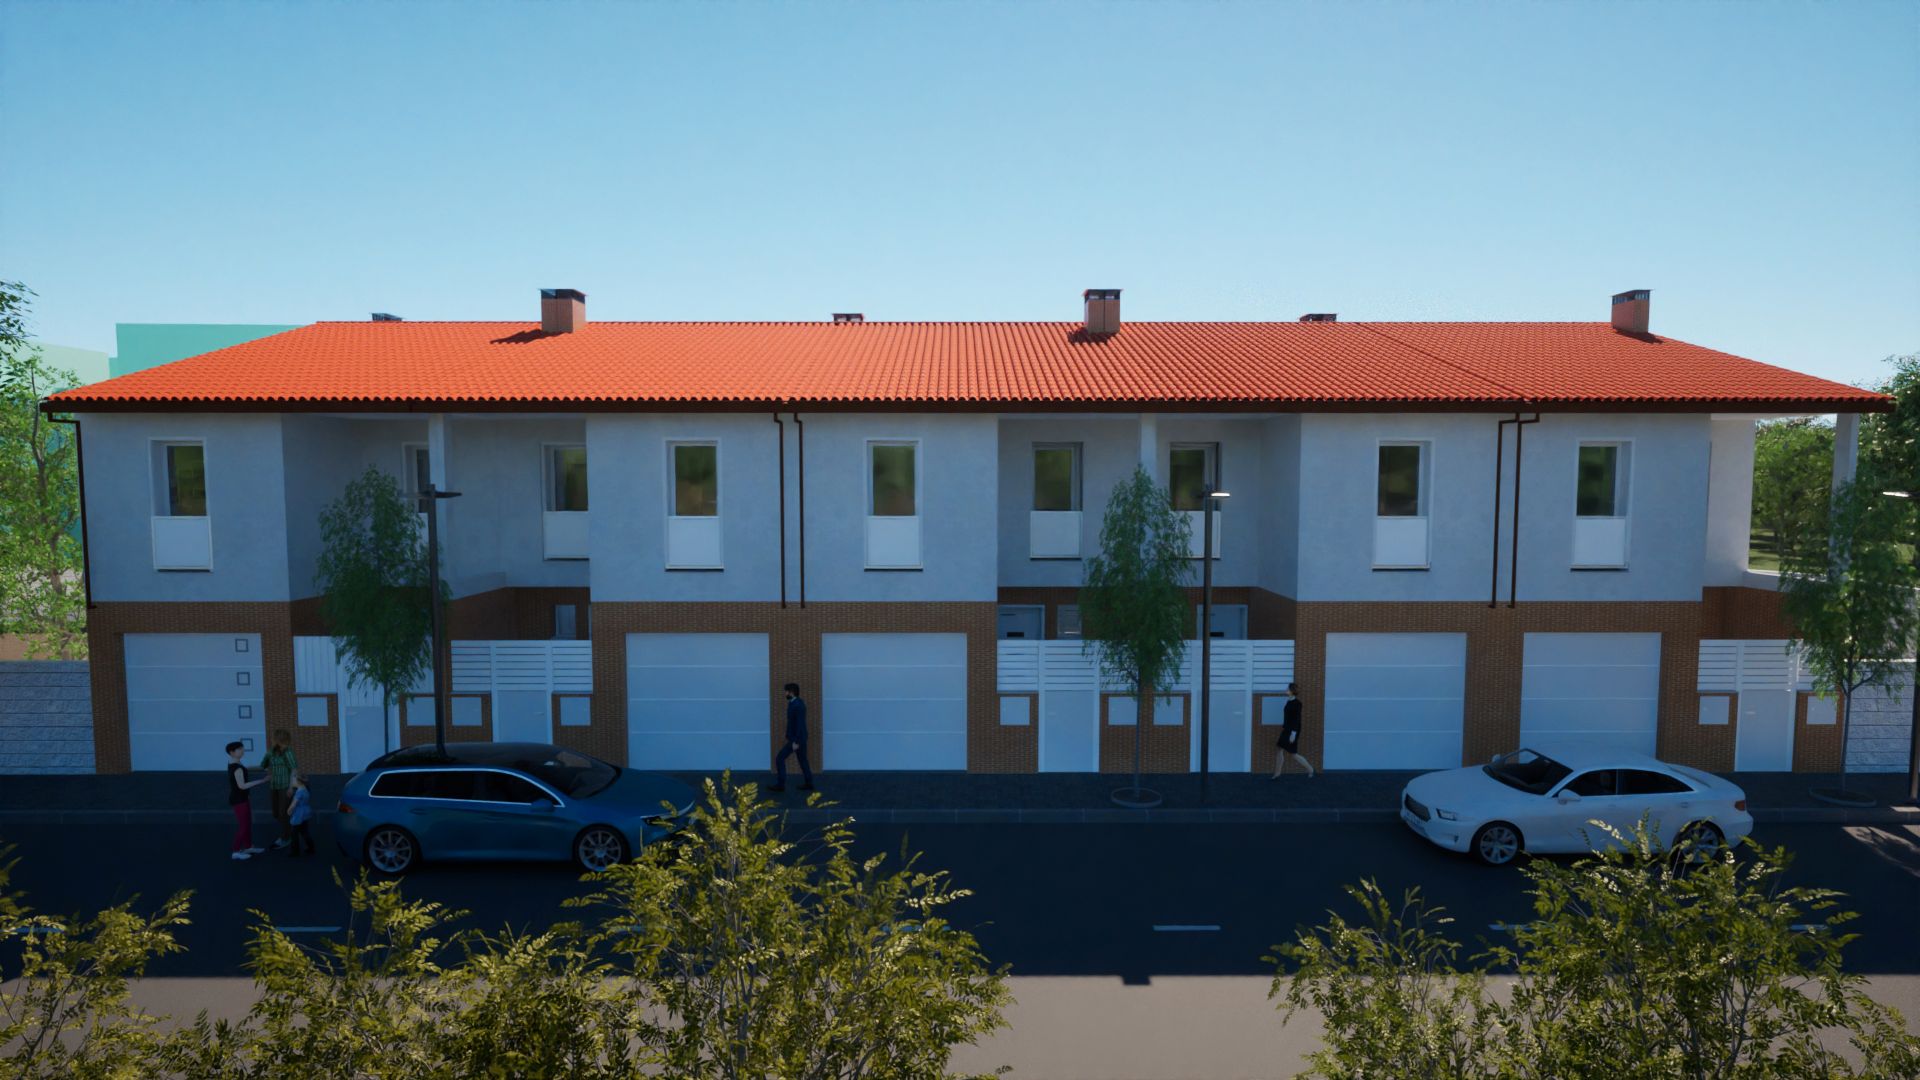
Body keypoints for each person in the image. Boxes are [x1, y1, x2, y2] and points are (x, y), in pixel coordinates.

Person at [226, 740, 269, 859]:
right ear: (232, 752)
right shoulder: (237, 768)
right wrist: (262, 781)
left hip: (242, 798)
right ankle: (235, 851)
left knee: (247, 824)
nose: (243, 751)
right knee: (243, 826)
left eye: (242, 748)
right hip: (239, 800)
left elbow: (245, 769)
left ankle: (249, 846)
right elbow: (242, 785)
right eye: (240, 749)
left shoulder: (234, 763)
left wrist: (261, 768)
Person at [771, 682, 814, 792]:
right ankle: (809, 783)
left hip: (797, 739)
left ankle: (781, 785)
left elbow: (799, 724)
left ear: (792, 692)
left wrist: (796, 741)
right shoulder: (794, 703)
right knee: (803, 761)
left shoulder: (798, 705)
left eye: (786, 691)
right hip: (799, 738)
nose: (785, 693)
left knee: (780, 758)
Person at [1269, 681, 1317, 779]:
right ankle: (1277, 773)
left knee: (1293, 754)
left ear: (1292, 691)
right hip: (1286, 729)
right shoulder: (1288, 701)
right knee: (1279, 749)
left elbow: (1297, 719)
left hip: (1292, 731)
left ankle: (1311, 770)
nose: (1286, 690)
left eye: (1288, 689)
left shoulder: (1297, 703)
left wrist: (1293, 734)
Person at [261, 730, 298, 850]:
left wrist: (291, 787)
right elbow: (263, 765)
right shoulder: (270, 752)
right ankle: (289, 829)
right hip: (274, 785)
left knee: (283, 813)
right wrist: (269, 772)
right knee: (276, 813)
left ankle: (286, 838)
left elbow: (294, 769)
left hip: (285, 786)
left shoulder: (289, 752)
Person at [285, 773, 316, 857]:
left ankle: (295, 852)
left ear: (299, 782)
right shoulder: (305, 789)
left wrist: (289, 811)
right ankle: (311, 848)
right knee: (304, 831)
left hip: (298, 814)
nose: (292, 782)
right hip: (305, 812)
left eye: (294, 780)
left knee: (294, 834)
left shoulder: (299, 792)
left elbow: (294, 804)